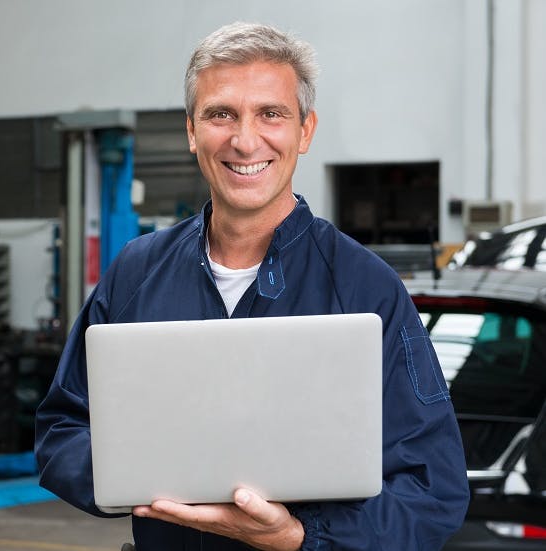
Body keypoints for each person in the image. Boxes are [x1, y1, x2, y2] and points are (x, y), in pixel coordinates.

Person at [34, 21, 470, 550]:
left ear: (305, 131)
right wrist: (134, 482)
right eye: (221, 114)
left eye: (271, 114)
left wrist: (299, 536)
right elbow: (62, 429)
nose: (244, 140)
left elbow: (432, 489)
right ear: (192, 130)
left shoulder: (366, 289)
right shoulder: (136, 271)